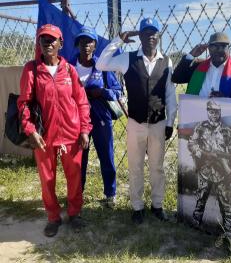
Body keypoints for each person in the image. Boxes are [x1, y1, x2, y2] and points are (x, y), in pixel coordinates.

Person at [96, 17, 177, 224]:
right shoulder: (127, 59)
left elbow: (169, 94)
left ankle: (157, 205)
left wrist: (170, 124)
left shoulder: (166, 61)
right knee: (135, 166)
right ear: (139, 36)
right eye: (146, 32)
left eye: (154, 33)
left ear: (158, 37)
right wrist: (118, 40)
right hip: (135, 124)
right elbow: (101, 63)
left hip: (158, 123)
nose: (150, 36)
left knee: (157, 167)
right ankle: (137, 207)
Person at [17, 24, 92, 237]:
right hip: (44, 136)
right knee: (47, 179)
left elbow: (82, 102)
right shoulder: (31, 69)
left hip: (71, 135)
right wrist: (30, 130)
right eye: (43, 40)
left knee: (74, 176)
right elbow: (23, 103)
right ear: (38, 43)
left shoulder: (70, 70)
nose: (48, 44)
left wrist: (84, 130)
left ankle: (75, 213)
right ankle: (53, 217)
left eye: (52, 40)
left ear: (61, 43)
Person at [70, 26, 122, 207]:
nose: (86, 45)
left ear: (95, 45)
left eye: (90, 42)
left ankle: (110, 193)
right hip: (76, 119)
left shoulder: (103, 66)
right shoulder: (69, 67)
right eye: (82, 41)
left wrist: (101, 92)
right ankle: (77, 193)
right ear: (77, 44)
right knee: (79, 158)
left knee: (106, 154)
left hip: (100, 117)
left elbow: (117, 92)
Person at [188, 100, 231, 247]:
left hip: (221, 173)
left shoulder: (227, 131)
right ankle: (195, 223)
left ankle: (228, 232)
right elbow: (191, 143)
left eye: (216, 112)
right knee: (201, 198)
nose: (214, 114)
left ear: (220, 113)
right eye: (211, 111)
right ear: (207, 111)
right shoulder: (200, 127)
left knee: (225, 202)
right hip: (205, 170)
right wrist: (201, 154)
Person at [172, 32, 231, 98]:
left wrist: (226, 100)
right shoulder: (198, 67)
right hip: (197, 112)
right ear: (208, 48)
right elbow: (176, 78)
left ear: (229, 48)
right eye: (214, 46)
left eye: (223, 46)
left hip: (228, 113)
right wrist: (191, 55)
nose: (219, 50)